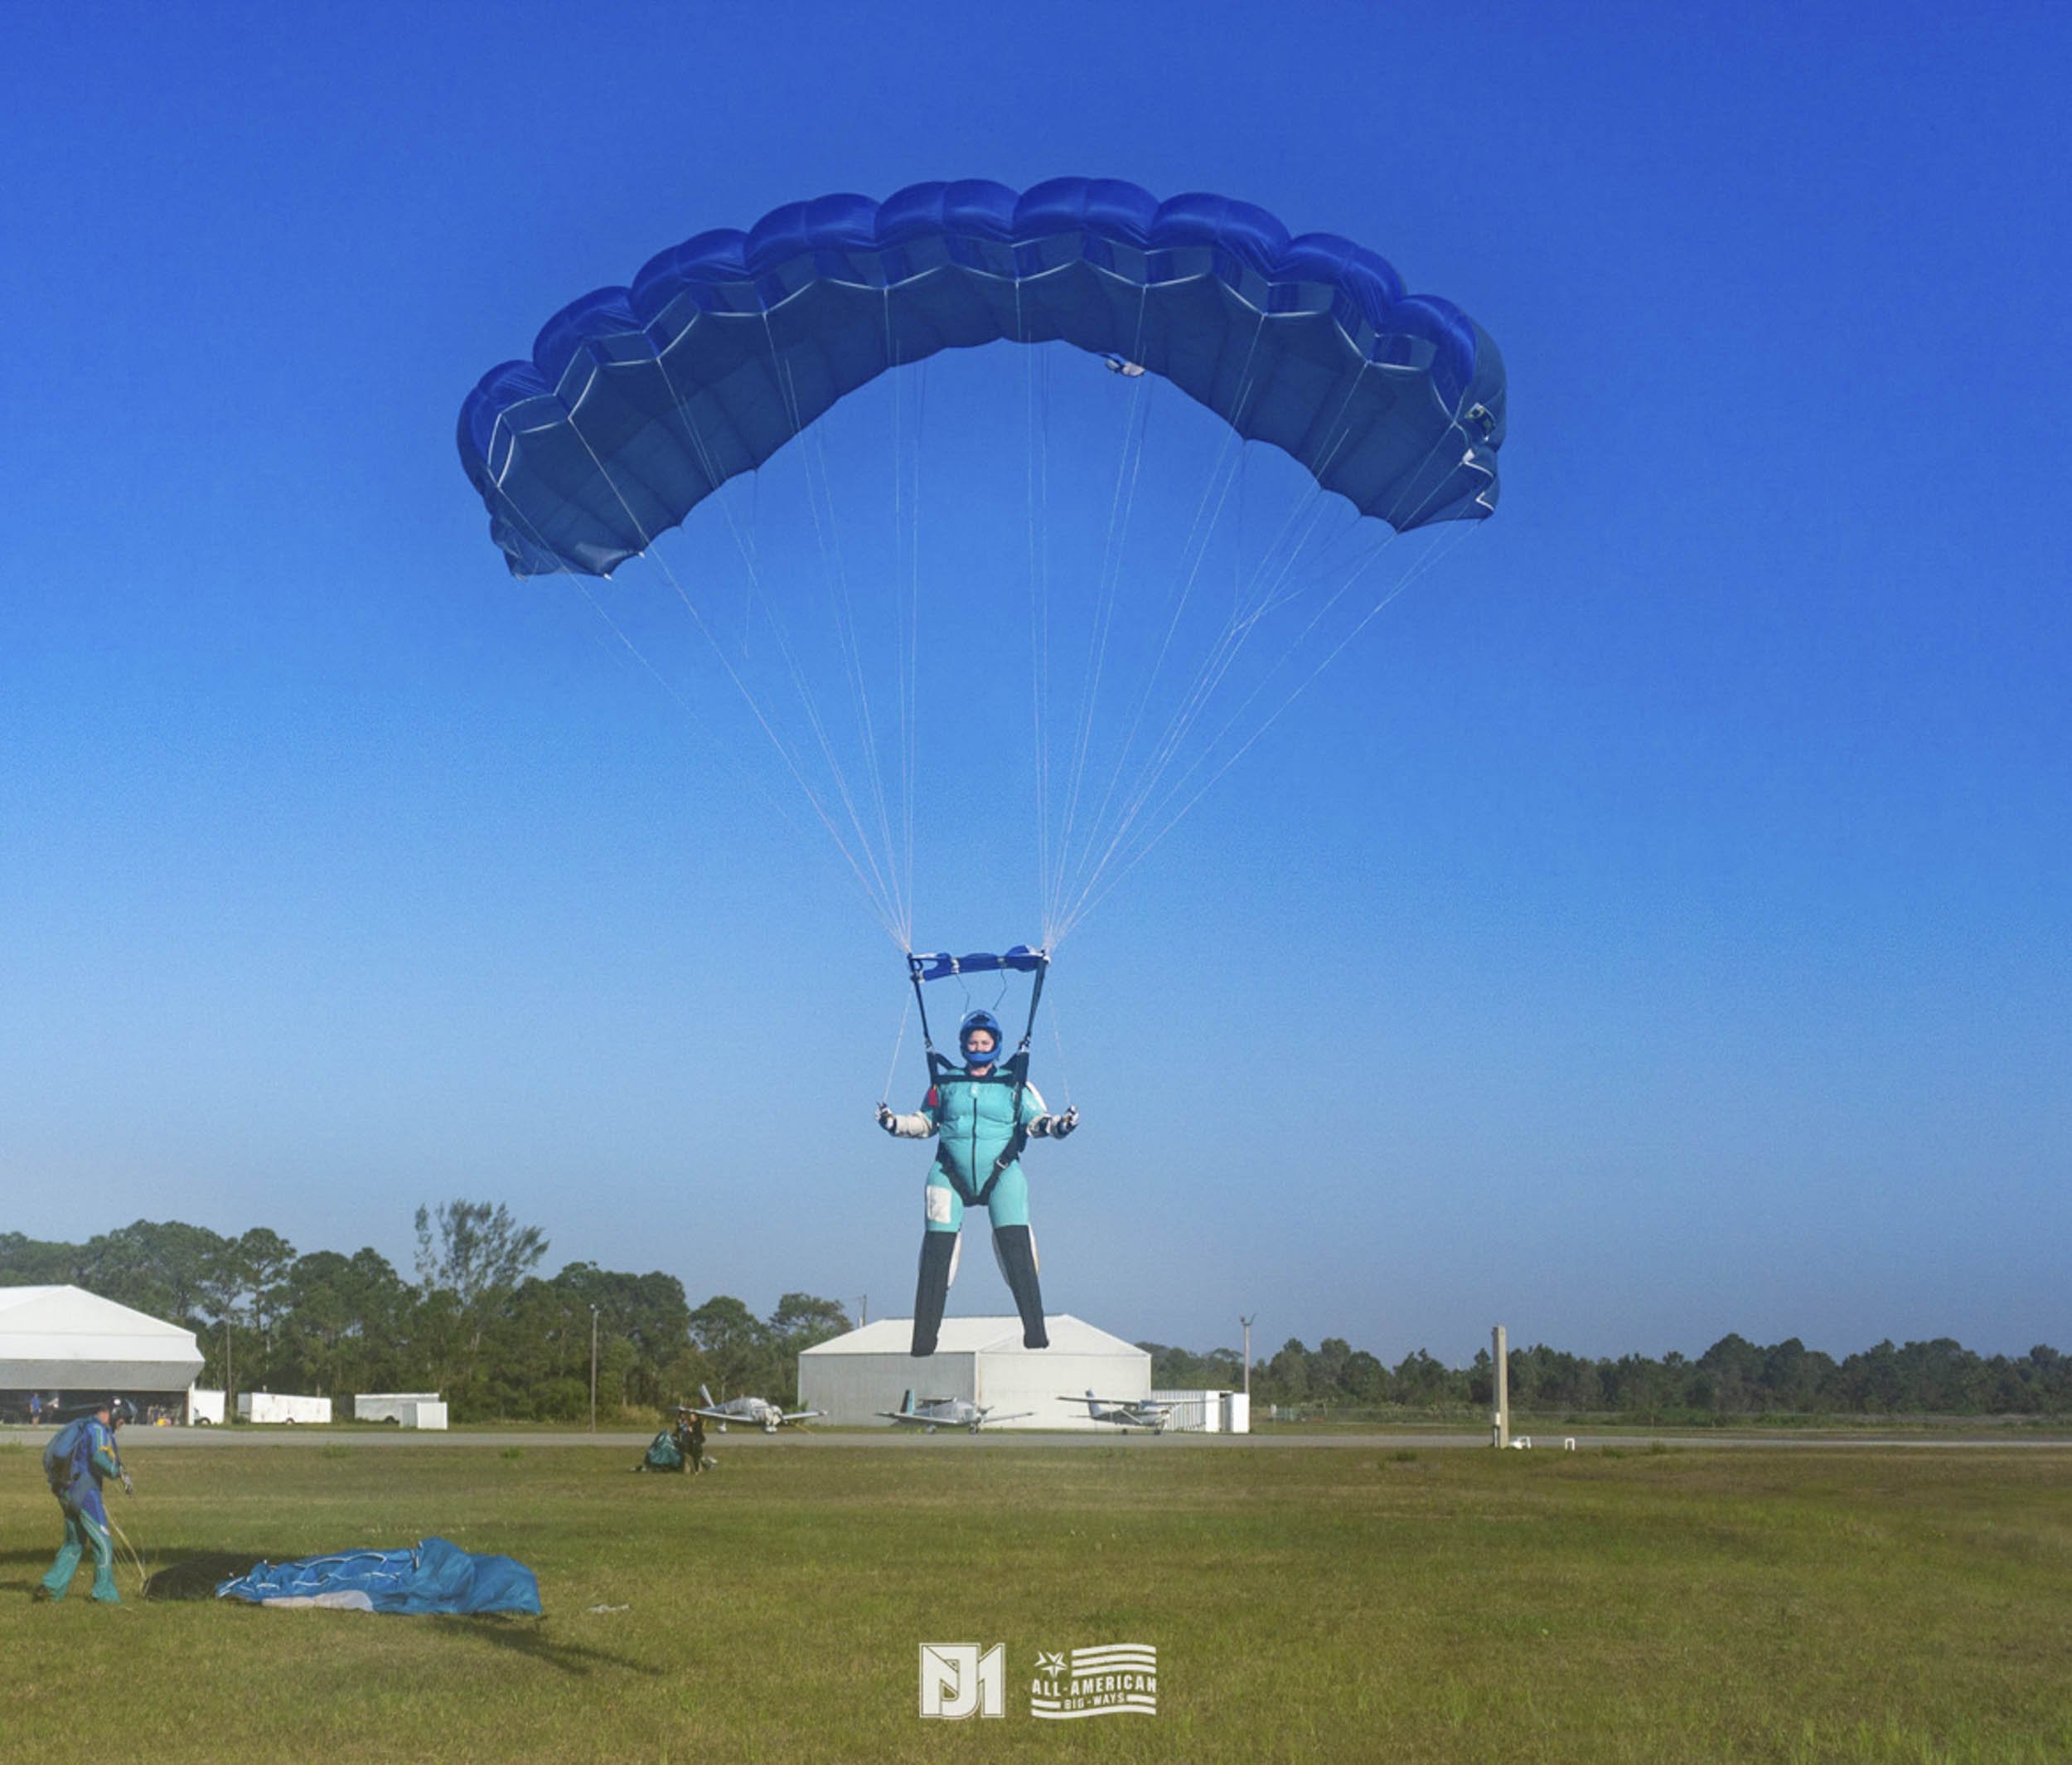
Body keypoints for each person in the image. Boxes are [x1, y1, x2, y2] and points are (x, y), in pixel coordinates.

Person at [877, 1007, 1078, 1355]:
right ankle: (924, 1341)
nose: (979, 1046)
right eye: (973, 1041)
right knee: (936, 1255)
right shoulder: (945, 1083)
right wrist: (894, 1123)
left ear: (996, 1045)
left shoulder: (1014, 1085)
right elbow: (925, 1123)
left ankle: (1035, 1333)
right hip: (948, 1172)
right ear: (963, 1044)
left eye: (985, 1042)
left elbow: (1036, 1122)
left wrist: (1061, 1125)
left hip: (1001, 1173)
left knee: (1016, 1248)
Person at [37, 1398, 133, 1604]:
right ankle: (103, 1594)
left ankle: (51, 1587)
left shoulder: (83, 1426)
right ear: (114, 1413)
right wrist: (117, 1472)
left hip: (66, 1491)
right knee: (104, 1544)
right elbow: (100, 1459)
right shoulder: (97, 1430)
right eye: (123, 1418)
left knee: (74, 1543)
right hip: (85, 1493)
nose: (123, 1423)